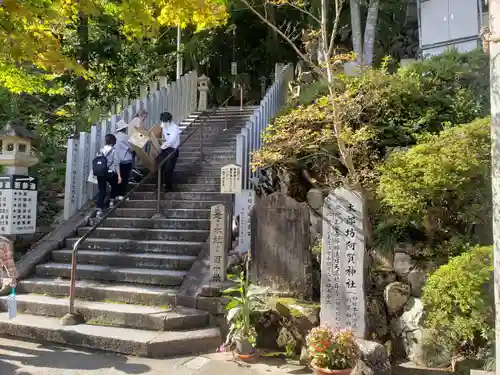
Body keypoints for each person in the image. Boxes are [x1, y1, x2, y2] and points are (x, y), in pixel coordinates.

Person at [95, 134, 121, 217]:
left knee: (101, 190)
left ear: (106, 141)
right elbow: (117, 163)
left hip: (101, 173)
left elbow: (98, 162)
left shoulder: (101, 150)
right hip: (110, 172)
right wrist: (119, 176)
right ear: (113, 142)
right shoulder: (114, 151)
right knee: (115, 185)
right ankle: (111, 201)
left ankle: (99, 210)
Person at [157, 111, 180, 192]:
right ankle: (158, 187)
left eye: (164, 121)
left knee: (168, 168)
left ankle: (168, 187)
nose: (163, 123)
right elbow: (162, 135)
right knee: (159, 166)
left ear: (169, 121)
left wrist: (164, 145)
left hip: (173, 149)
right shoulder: (163, 125)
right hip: (165, 149)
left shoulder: (175, 128)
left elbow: (172, 140)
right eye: (162, 121)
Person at [115, 120, 134, 200]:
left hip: (116, 161)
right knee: (125, 178)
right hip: (126, 160)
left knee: (117, 177)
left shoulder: (114, 136)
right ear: (124, 128)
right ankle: (122, 194)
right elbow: (132, 148)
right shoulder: (126, 137)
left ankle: (116, 194)